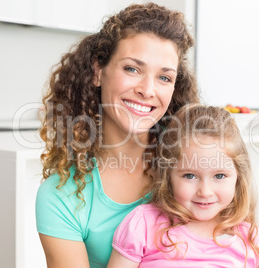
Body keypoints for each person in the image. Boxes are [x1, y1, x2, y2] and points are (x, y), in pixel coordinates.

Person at [35, 2, 199, 268]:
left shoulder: (194, 169)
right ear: (98, 72)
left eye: (164, 78)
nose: (147, 90)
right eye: (132, 69)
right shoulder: (61, 195)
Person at [107, 104, 259, 268]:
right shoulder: (143, 225)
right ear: (169, 176)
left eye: (219, 176)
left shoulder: (258, 243)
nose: (205, 192)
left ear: (238, 177)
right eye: (190, 176)